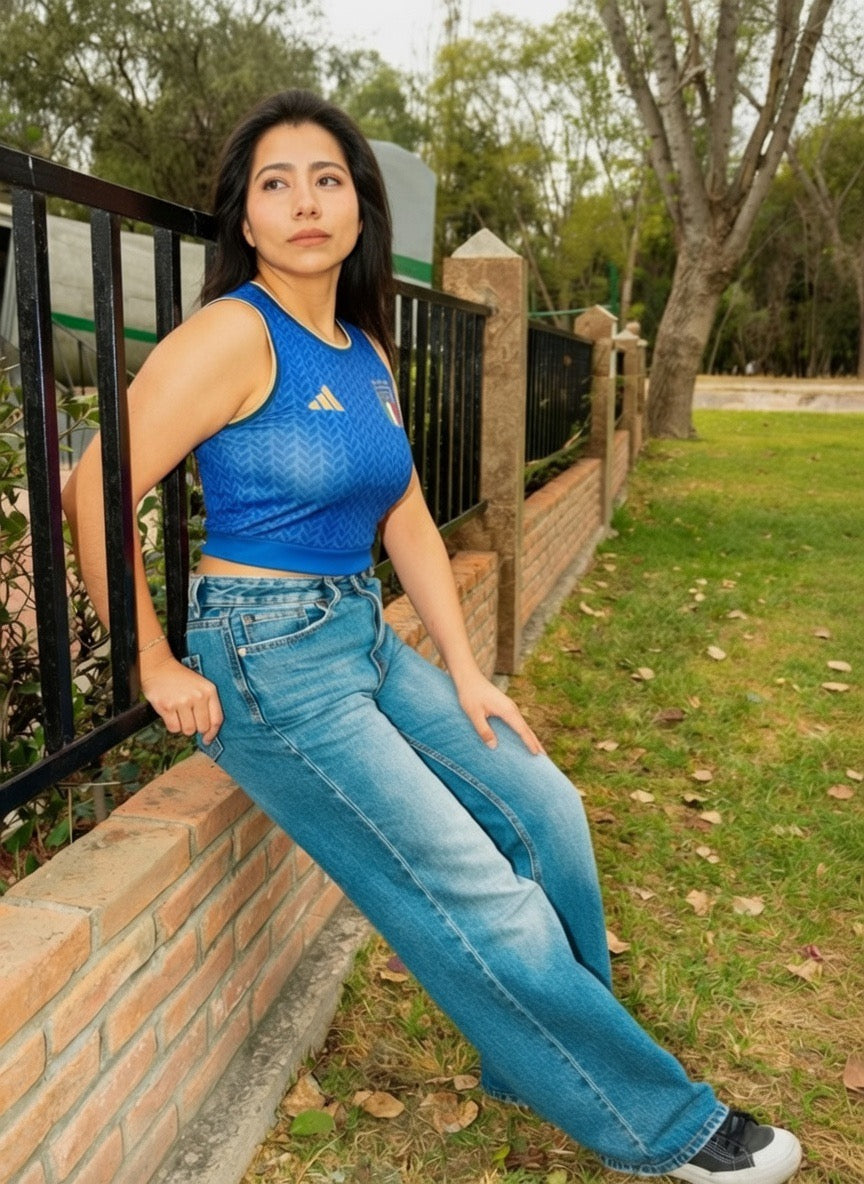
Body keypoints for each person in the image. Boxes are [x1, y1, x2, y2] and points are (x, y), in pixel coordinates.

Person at [63, 90, 802, 1183]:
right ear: (247, 221)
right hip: (265, 660)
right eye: (276, 183)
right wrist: (153, 657)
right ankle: (663, 1123)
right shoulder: (231, 332)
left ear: (360, 208)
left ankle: (544, 1052)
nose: (305, 201)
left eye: (328, 178)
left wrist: (466, 671)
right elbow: (95, 482)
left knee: (547, 805)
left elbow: (403, 511)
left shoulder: (362, 349)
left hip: (356, 635)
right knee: (473, 885)